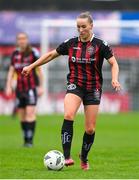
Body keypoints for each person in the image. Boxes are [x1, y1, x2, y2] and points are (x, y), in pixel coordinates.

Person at [22, 12, 121, 169]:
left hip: (93, 87)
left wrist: (115, 79)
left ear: (91, 26)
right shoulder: (71, 43)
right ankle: (66, 156)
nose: (80, 30)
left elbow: (114, 63)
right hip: (75, 84)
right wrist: (31, 66)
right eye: (78, 27)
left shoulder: (101, 45)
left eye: (84, 27)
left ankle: (84, 157)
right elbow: (50, 55)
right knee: (68, 115)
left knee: (90, 129)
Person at [6, 32, 43, 147]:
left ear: (27, 40)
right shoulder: (15, 54)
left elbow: (39, 71)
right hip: (19, 89)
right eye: (19, 39)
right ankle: (25, 139)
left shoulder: (33, 52)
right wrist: (8, 86)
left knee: (30, 113)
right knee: (22, 115)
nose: (22, 41)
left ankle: (30, 141)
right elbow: (11, 71)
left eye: (24, 38)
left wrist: (41, 86)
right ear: (17, 41)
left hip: (31, 88)